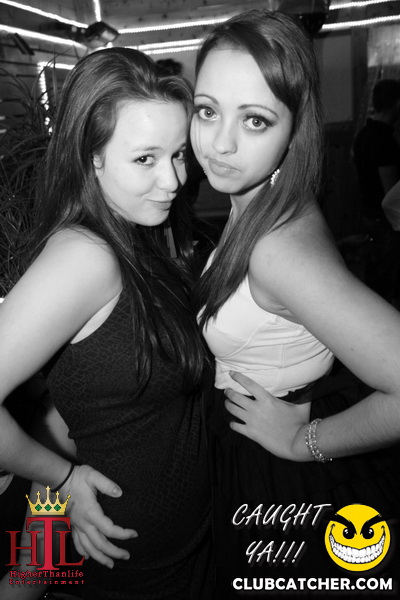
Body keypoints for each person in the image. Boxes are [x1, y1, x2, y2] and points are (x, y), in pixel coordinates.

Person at [190, 9, 400, 597]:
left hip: (278, 477)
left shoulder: (277, 249)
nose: (220, 143)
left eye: (255, 119)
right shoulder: (265, 202)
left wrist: (300, 442)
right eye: (207, 111)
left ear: (294, 127)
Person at [0, 47, 213, 599]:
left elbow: (81, 403)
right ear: (91, 157)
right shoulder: (85, 256)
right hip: (133, 564)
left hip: (185, 546)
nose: (172, 180)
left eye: (179, 154)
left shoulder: (143, 230)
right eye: (145, 159)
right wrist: (61, 479)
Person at [353, 78, 400, 300]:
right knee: (386, 287)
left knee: (375, 281)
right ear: (397, 104)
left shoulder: (364, 134)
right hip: (385, 223)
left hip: (368, 214)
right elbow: (391, 193)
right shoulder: (383, 140)